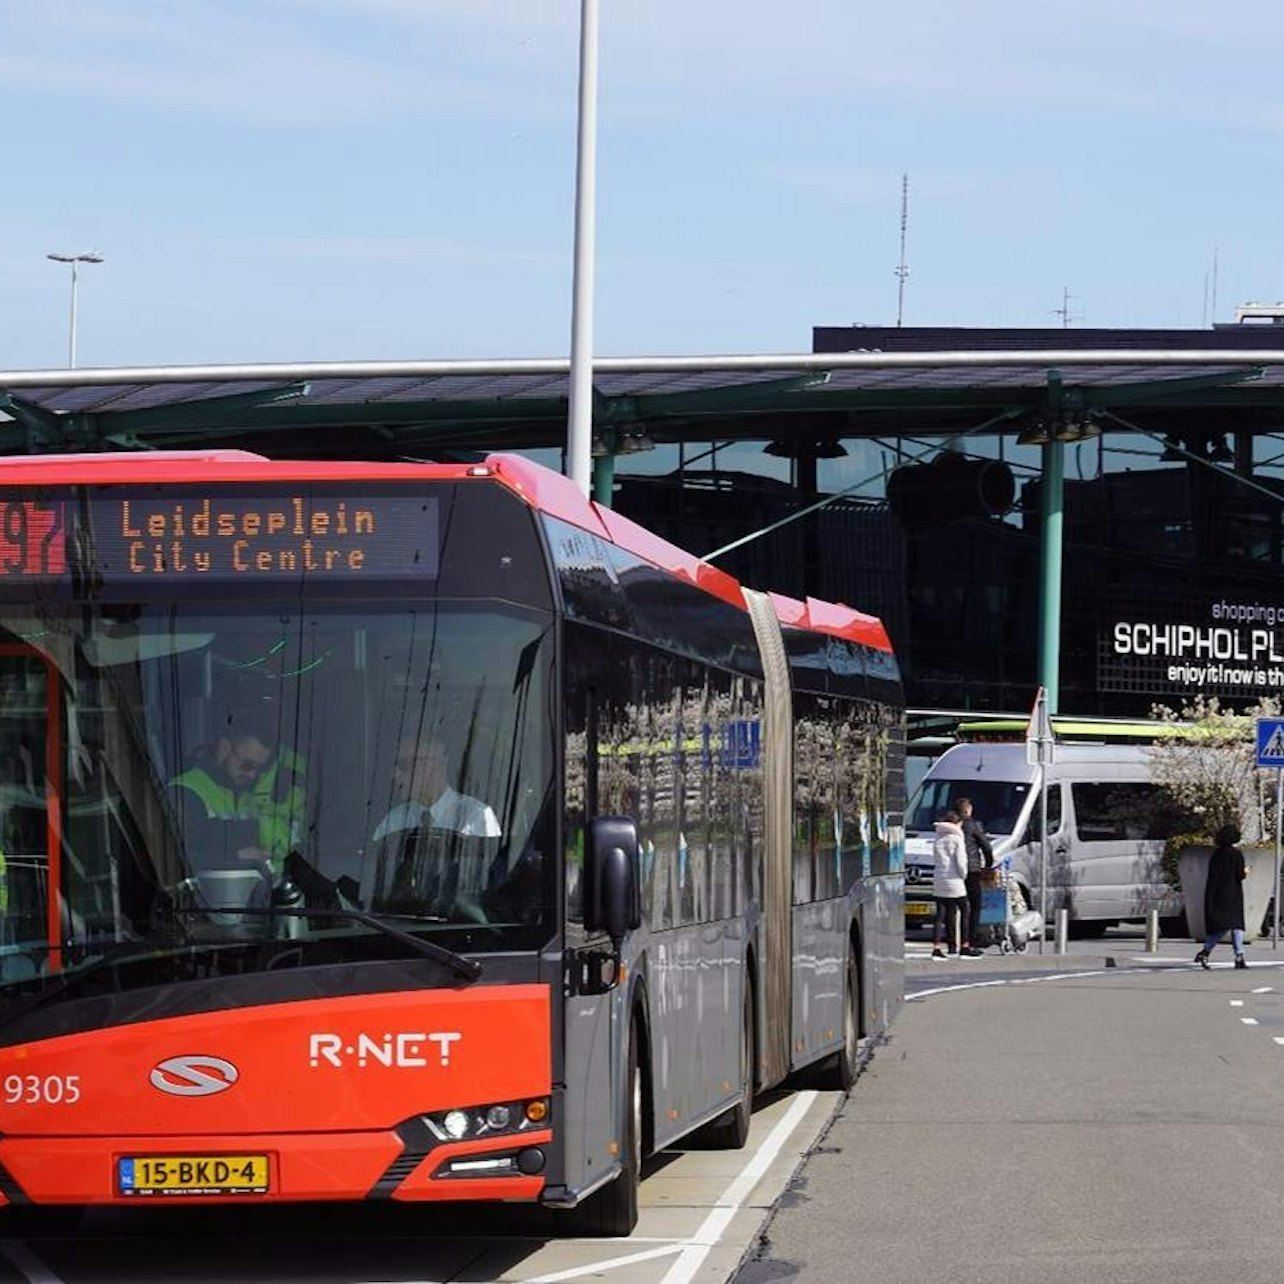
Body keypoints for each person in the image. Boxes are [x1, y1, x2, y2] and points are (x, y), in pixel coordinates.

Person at [169, 721, 285, 871]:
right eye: (247, 765)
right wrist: (234, 857)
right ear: (224, 748)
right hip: (202, 893)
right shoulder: (185, 792)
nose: (252, 775)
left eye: (260, 769)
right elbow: (173, 861)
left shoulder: (249, 796)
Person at [1195, 823, 1248, 970]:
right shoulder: (1236, 854)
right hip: (1233, 895)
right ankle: (1239, 956)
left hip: (1217, 894)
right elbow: (1240, 874)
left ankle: (1205, 951)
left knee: (1220, 928)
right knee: (1236, 926)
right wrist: (1246, 871)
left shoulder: (1216, 855)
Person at [931, 809, 979, 960]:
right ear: (957, 823)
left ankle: (938, 947)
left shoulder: (938, 837)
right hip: (955, 881)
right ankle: (964, 945)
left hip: (939, 879)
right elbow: (961, 861)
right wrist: (963, 875)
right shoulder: (957, 838)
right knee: (965, 910)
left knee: (941, 915)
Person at [954, 797, 994, 949]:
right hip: (972, 870)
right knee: (975, 906)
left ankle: (956, 941)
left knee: (957, 907)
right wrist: (988, 865)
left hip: (955, 871)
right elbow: (986, 846)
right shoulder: (973, 825)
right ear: (967, 810)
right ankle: (972, 939)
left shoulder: (951, 826)